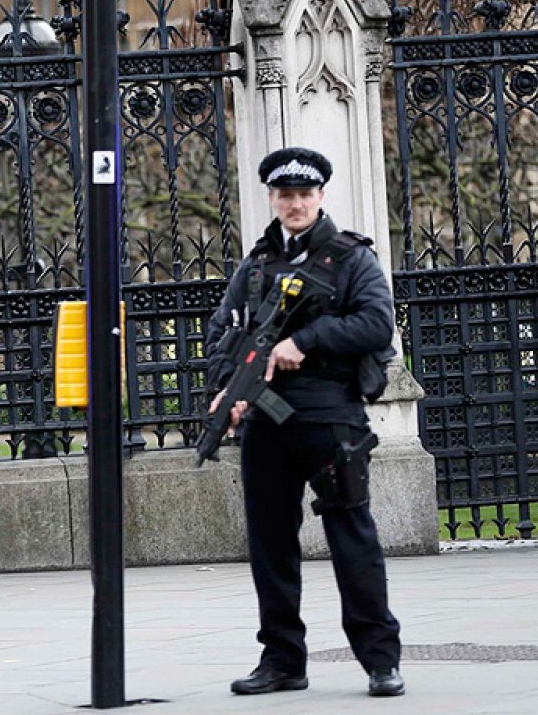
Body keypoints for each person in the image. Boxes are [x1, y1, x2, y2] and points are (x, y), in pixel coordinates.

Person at [204, 147, 404, 698]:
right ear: (271, 197)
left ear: (320, 197)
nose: (294, 204)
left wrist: (304, 341)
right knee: (270, 544)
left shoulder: (350, 259)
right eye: (284, 194)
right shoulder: (256, 264)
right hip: (266, 424)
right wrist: (229, 390)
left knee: (351, 535)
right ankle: (282, 660)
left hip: (330, 414)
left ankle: (380, 659)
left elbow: (375, 325)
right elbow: (223, 332)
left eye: (304, 194)